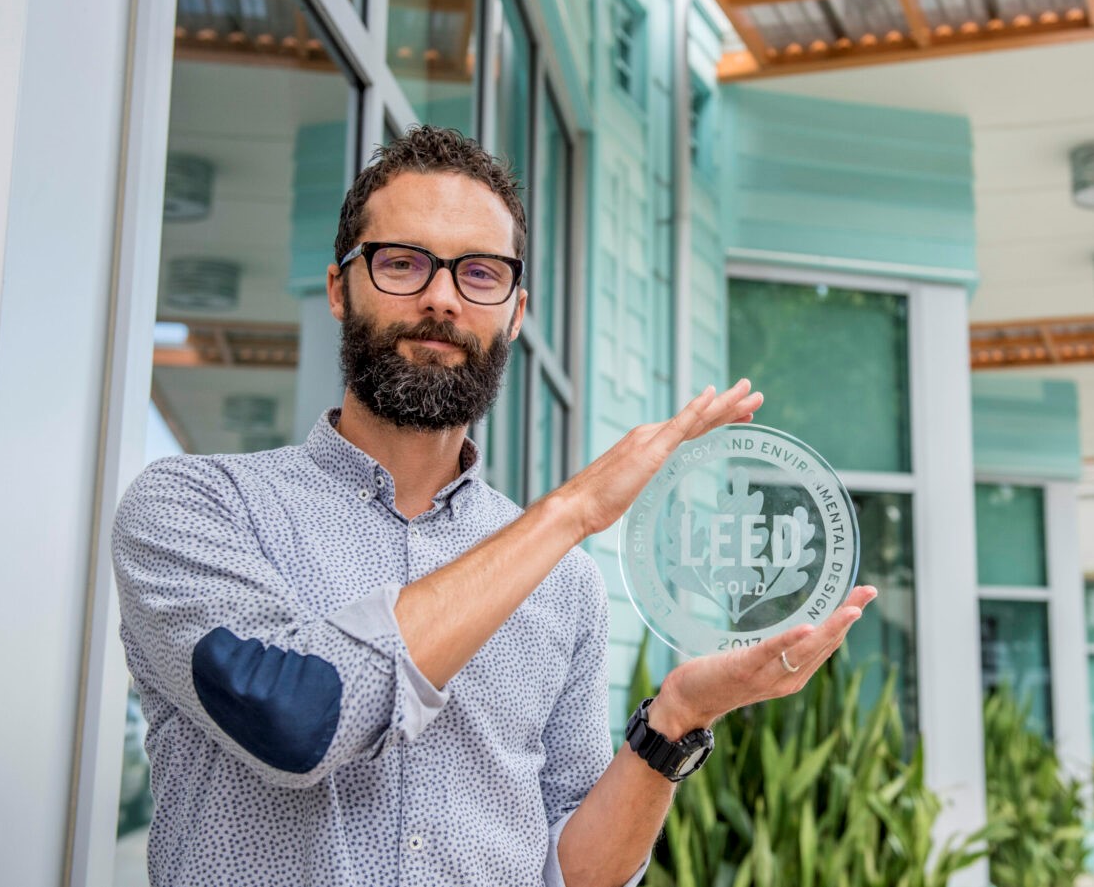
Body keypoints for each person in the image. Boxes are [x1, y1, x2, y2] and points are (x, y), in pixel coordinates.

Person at [113, 125, 876, 887]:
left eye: (479, 273)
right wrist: (572, 509)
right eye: (403, 262)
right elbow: (296, 716)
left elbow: (575, 873)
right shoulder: (199, 507)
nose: (441, 297)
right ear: (341, 287)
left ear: (514, 312)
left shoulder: (567, 586)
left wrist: (675, 719)